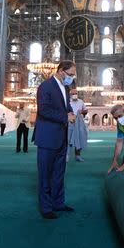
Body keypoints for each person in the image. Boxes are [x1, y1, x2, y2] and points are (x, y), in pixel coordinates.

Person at [34, 60, 77, 219]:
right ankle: (46, 208)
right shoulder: (45, 86)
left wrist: (71, 113)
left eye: (73, 75)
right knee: (45, 174)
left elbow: (66, 106)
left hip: (61, 136)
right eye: (70, 74)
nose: (71, 78)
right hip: (47, 137)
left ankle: (58, 203)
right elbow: (43, 109)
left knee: (59, 173)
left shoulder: (65, 88)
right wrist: (65, 117)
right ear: (60, 71)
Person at [68, 88, 89, 162]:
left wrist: (82, 111)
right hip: (70, 123)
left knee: (79, 138)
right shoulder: (68, 102)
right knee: (69, 139)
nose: (74, 95)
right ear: (70, 95)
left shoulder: (81, 102)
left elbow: (86, 110)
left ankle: (78, 155)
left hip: (79, 123)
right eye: (73, 94)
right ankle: (67, 155)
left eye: (76, 93)